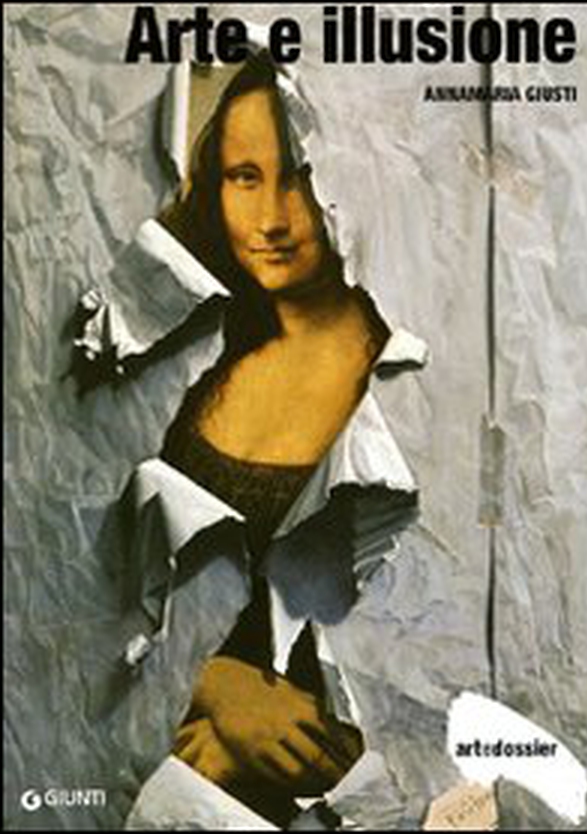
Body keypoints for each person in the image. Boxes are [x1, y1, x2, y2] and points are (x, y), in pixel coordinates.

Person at [157, 53, 390, 825]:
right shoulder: (198, 366)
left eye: (297, 178)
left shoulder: (399, 378)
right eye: (243, 177)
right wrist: (214, 690)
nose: (272, 219)